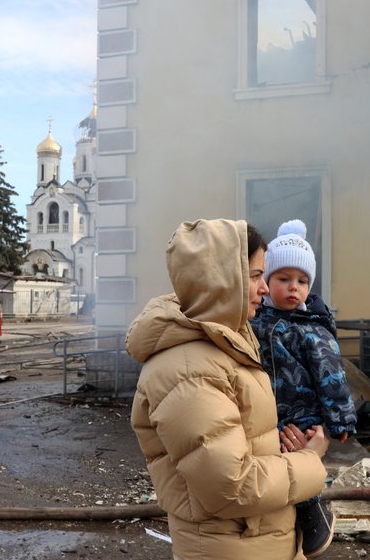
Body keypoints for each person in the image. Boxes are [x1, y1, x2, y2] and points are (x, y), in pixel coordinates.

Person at [128, 219, 330, 560]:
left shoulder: (227, 345)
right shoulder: (190, 370)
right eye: (254, 276)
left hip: (257, 542)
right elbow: (231, 487)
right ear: (222, 280)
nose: (265, 288)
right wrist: (309, 459)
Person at [251, 219, 358, 559]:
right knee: (276, 471)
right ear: (266, 281)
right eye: (283, 279)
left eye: (302, 281)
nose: (293, 288)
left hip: (302, 411)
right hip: (268, 411)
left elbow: (332, 376)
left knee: (299, 467)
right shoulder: (255, 320)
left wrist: (340, 420)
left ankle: (315, 520)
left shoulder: (312, 329)